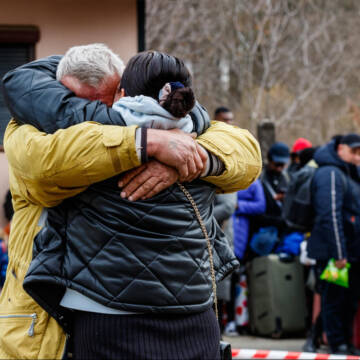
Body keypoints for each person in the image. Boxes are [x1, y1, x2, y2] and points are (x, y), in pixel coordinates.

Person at [0, 46, 262, 359]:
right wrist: (147, 143)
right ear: (61, 95)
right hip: (47, 327)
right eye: (84, 101)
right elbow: (44, 169)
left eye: (111, 97)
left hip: (160, 319)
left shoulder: (184, 130)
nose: (106, 112)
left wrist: (189, 159)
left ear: (124, 89)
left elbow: (247, 153)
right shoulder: (32, 129)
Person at [307, 133, 360, 355]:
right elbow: (330, 215)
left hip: (349, 253)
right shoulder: (330, 173)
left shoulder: (347, 172)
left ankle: (344, 343)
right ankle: (337, 345)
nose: (358, 157)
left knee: (347, 301)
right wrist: (339, 254)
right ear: (340, 149)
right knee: (334, 301)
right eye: (355, 151)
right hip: (335, 254)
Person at [251, 142, 290, 243]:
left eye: (282, 164)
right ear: (270, 160)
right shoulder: (259, 177)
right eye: (277, 164)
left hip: (281, 230)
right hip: (260, 231)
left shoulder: (286, 178)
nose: (279, 168)